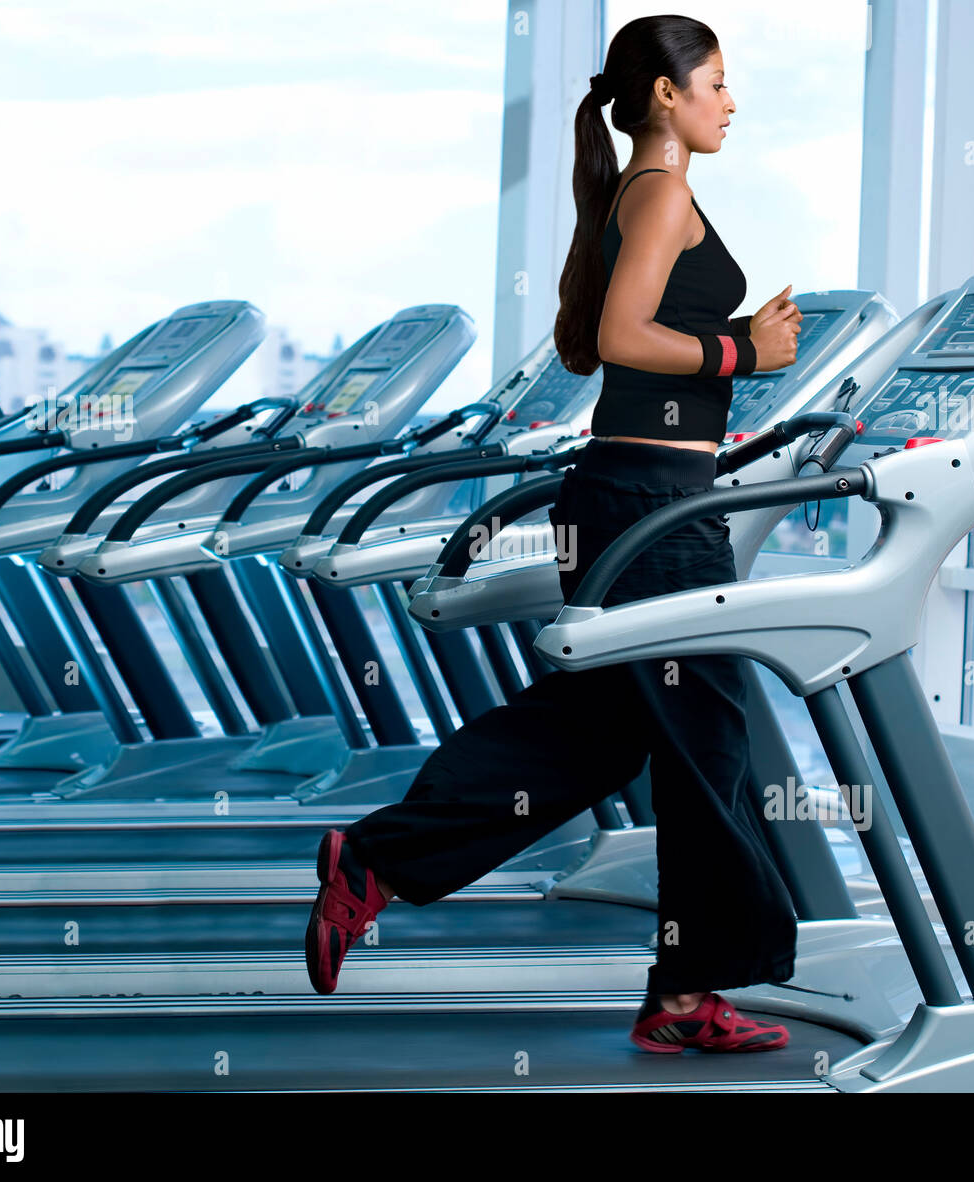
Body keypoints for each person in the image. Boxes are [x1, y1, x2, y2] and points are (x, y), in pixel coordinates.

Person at [306, 14, 805, 1054]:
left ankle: (378, 862)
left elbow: (594, 346)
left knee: (599, 730)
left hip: (628, 492)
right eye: (714, 82)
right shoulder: (662, 193)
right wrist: (741, 355)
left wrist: (726, 372)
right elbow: (623, 339)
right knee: (706, 745)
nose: (729, 101)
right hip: (653, 510)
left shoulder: (635, 194)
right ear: (666, 96)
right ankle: (686, 996)